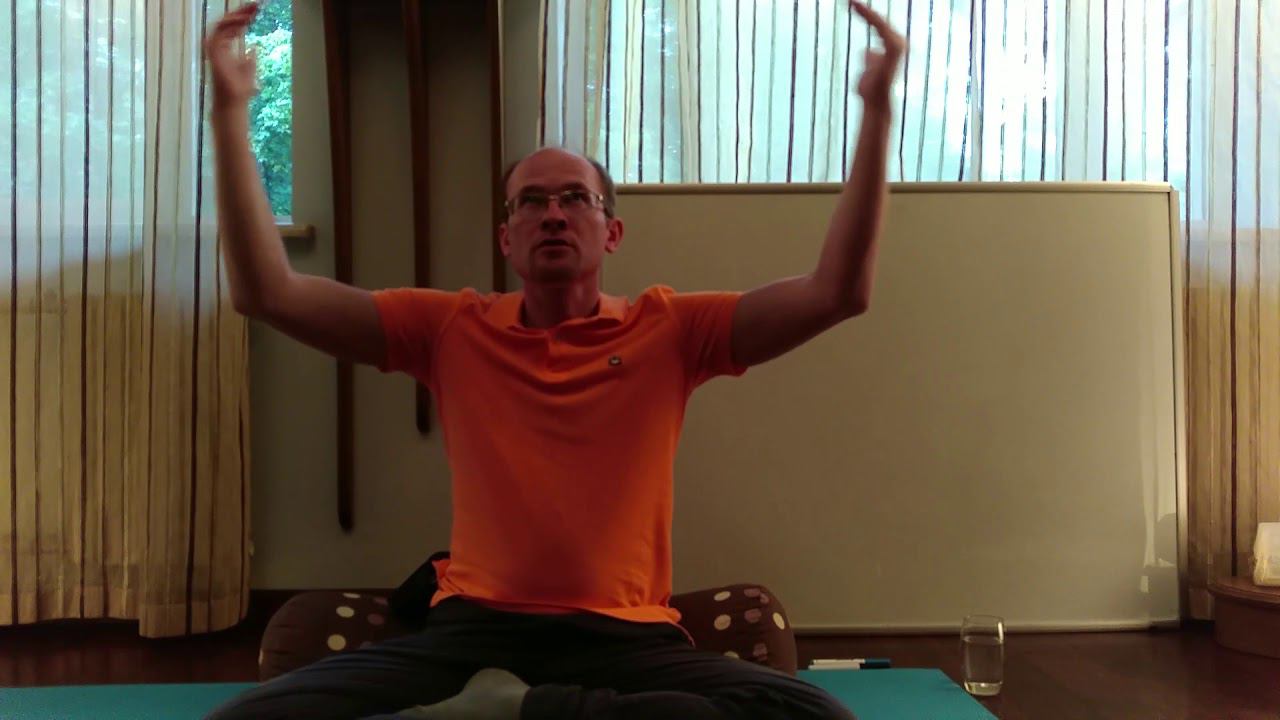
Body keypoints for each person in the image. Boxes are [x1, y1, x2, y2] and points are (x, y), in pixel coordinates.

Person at [203, 2, 903, 718]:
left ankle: (517, 709)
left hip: (625, 635)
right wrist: (228, 111)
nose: (554, 214)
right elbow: (268, 292)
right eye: (530, 202)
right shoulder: (450, 328)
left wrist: (877, 110)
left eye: (576, 198)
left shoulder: (671, 328)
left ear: (612, 230)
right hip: (475, 629)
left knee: (817, 716)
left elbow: (839, 291)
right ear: (507, 239)